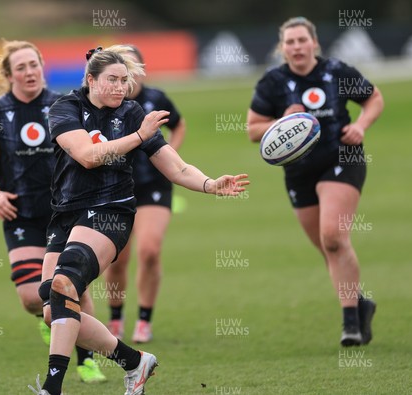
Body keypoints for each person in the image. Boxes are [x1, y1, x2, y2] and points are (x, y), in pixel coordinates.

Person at [30, 45, 249, 395]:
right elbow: (88, 156)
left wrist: (210, 184)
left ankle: (52, 387)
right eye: (112, 80)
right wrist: (138, 136)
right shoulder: (65, 108)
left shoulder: (132, 112)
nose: (121, 87)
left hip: (111, 212)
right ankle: (134, 361)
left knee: (63, 284)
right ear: (90, 80)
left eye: (125, 80)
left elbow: (174, 166)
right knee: (51, 309)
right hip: (66, 215)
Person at [0, 40, 106, 383]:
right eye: (21, 67)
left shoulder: (64, 103)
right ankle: (48, 315)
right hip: (23, 214)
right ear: (10, 75)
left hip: (67, 210)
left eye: (34, 64)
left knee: (75, 288)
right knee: (32, 298)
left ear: (42, 66)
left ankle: (87, 359)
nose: (29, 72)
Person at [246, 17, 384, 346]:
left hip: (342, 159)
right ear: (282, 48)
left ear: (314, 43)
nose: (296, 47)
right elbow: (253, 130)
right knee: (328, 248)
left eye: (301, 40)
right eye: (289, 42)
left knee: (334, 237)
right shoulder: (273, 82)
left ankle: (350, 323)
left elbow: (374, 98)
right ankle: (360, 303)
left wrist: (362, 125)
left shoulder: (337, 72)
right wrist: (283, 121)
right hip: (298, 171)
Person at [104, 45, 186, 343]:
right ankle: (115, 318)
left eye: (133, 67)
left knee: (149, 251)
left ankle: (144, 320)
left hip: (153, 185)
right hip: (115, 188)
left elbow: (179, 124)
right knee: (117, 259)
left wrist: (170, 157)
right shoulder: (105, 105)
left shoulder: (156, 98)